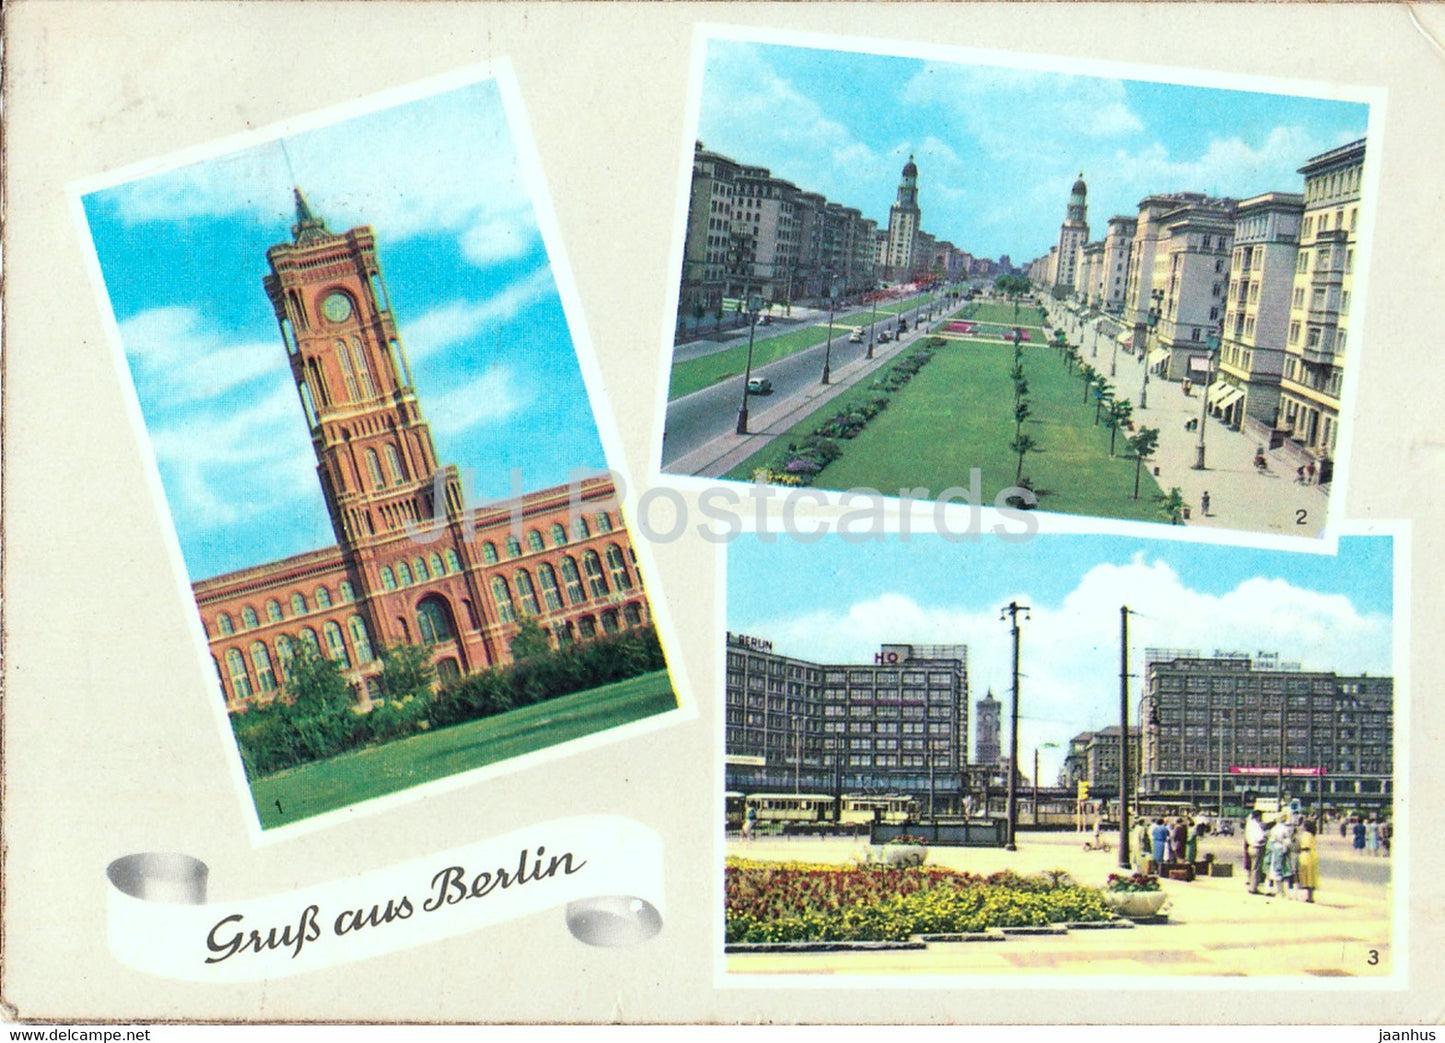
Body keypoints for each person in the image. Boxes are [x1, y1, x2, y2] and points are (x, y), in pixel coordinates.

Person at [1296, 820, 1319, 902]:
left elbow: (1305, 846)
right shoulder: (1312, 835)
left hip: (1305, 856)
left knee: (1305, 876)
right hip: (1312, 856)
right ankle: (1310, 897)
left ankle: (1307, 897)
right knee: (1311, 877)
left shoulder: (1305, 835)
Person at [1245, 810, 1267, 894]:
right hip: (1257, 847)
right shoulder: (1256, 825)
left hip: (1251, 847)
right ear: (1258, 816)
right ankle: (1254, 888)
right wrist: (1265, 838)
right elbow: (1260, 837)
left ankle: (1252, 886)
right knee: (1256, 869)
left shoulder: (1250, 824)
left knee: (1253, 868)